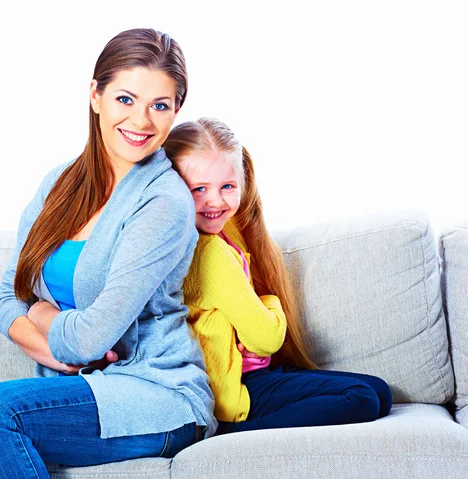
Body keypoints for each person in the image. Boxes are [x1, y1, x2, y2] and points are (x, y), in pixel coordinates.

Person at [0, 29, 217, 478]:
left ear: (176, 111)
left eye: (160, 106)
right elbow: (7, 298)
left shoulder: (164, 202)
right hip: (82, 386)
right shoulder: (59, 184)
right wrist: (59, 355)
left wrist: (39, 314)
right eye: (125, 99)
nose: (141, 121)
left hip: (156, 393)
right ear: (95, 96)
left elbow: (90, 340)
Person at [163, 117, 392, 434]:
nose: (215, 200)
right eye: (199, 189)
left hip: (248, 373)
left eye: (227, 186)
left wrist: (244, 332)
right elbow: (267, 337)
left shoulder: (219, 233)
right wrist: (268, 302)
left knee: (380, 391)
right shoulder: (208, 251)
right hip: (231, 392)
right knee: (363, 398)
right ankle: (228, 435)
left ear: (243, 182)